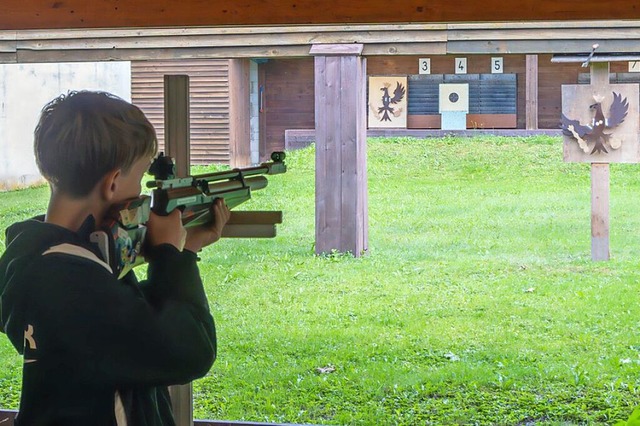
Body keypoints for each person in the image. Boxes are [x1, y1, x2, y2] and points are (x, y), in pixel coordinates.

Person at [0, 91, 230, 425]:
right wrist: (170, 256)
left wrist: (185, 248)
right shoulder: (69, 280)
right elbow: (190, 351)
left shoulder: (36, 256)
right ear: (113, 182)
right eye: (138, 180)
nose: (140, 194)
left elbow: (130, 325)